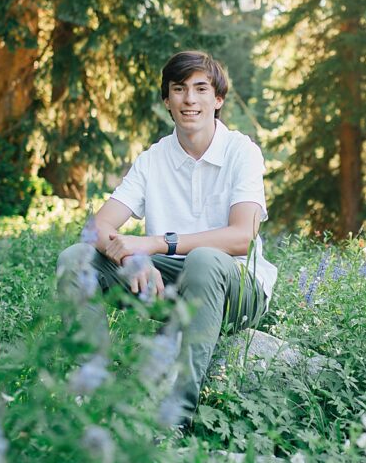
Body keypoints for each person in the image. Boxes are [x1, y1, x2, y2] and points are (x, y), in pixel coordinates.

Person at [56, 50, 278, 428]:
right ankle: (92, 393)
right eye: (179, 89)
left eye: (201, 89)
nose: (190, 99)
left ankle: (177, 416)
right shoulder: (153, 159)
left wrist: (155, 245)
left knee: (204, 259)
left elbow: (242, 237)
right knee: (76, 257)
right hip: (165, 284)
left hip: (236, 287)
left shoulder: (242, 152)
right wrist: (132, 258)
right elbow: (98, 227)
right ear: (167, 101)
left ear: (218, 99)